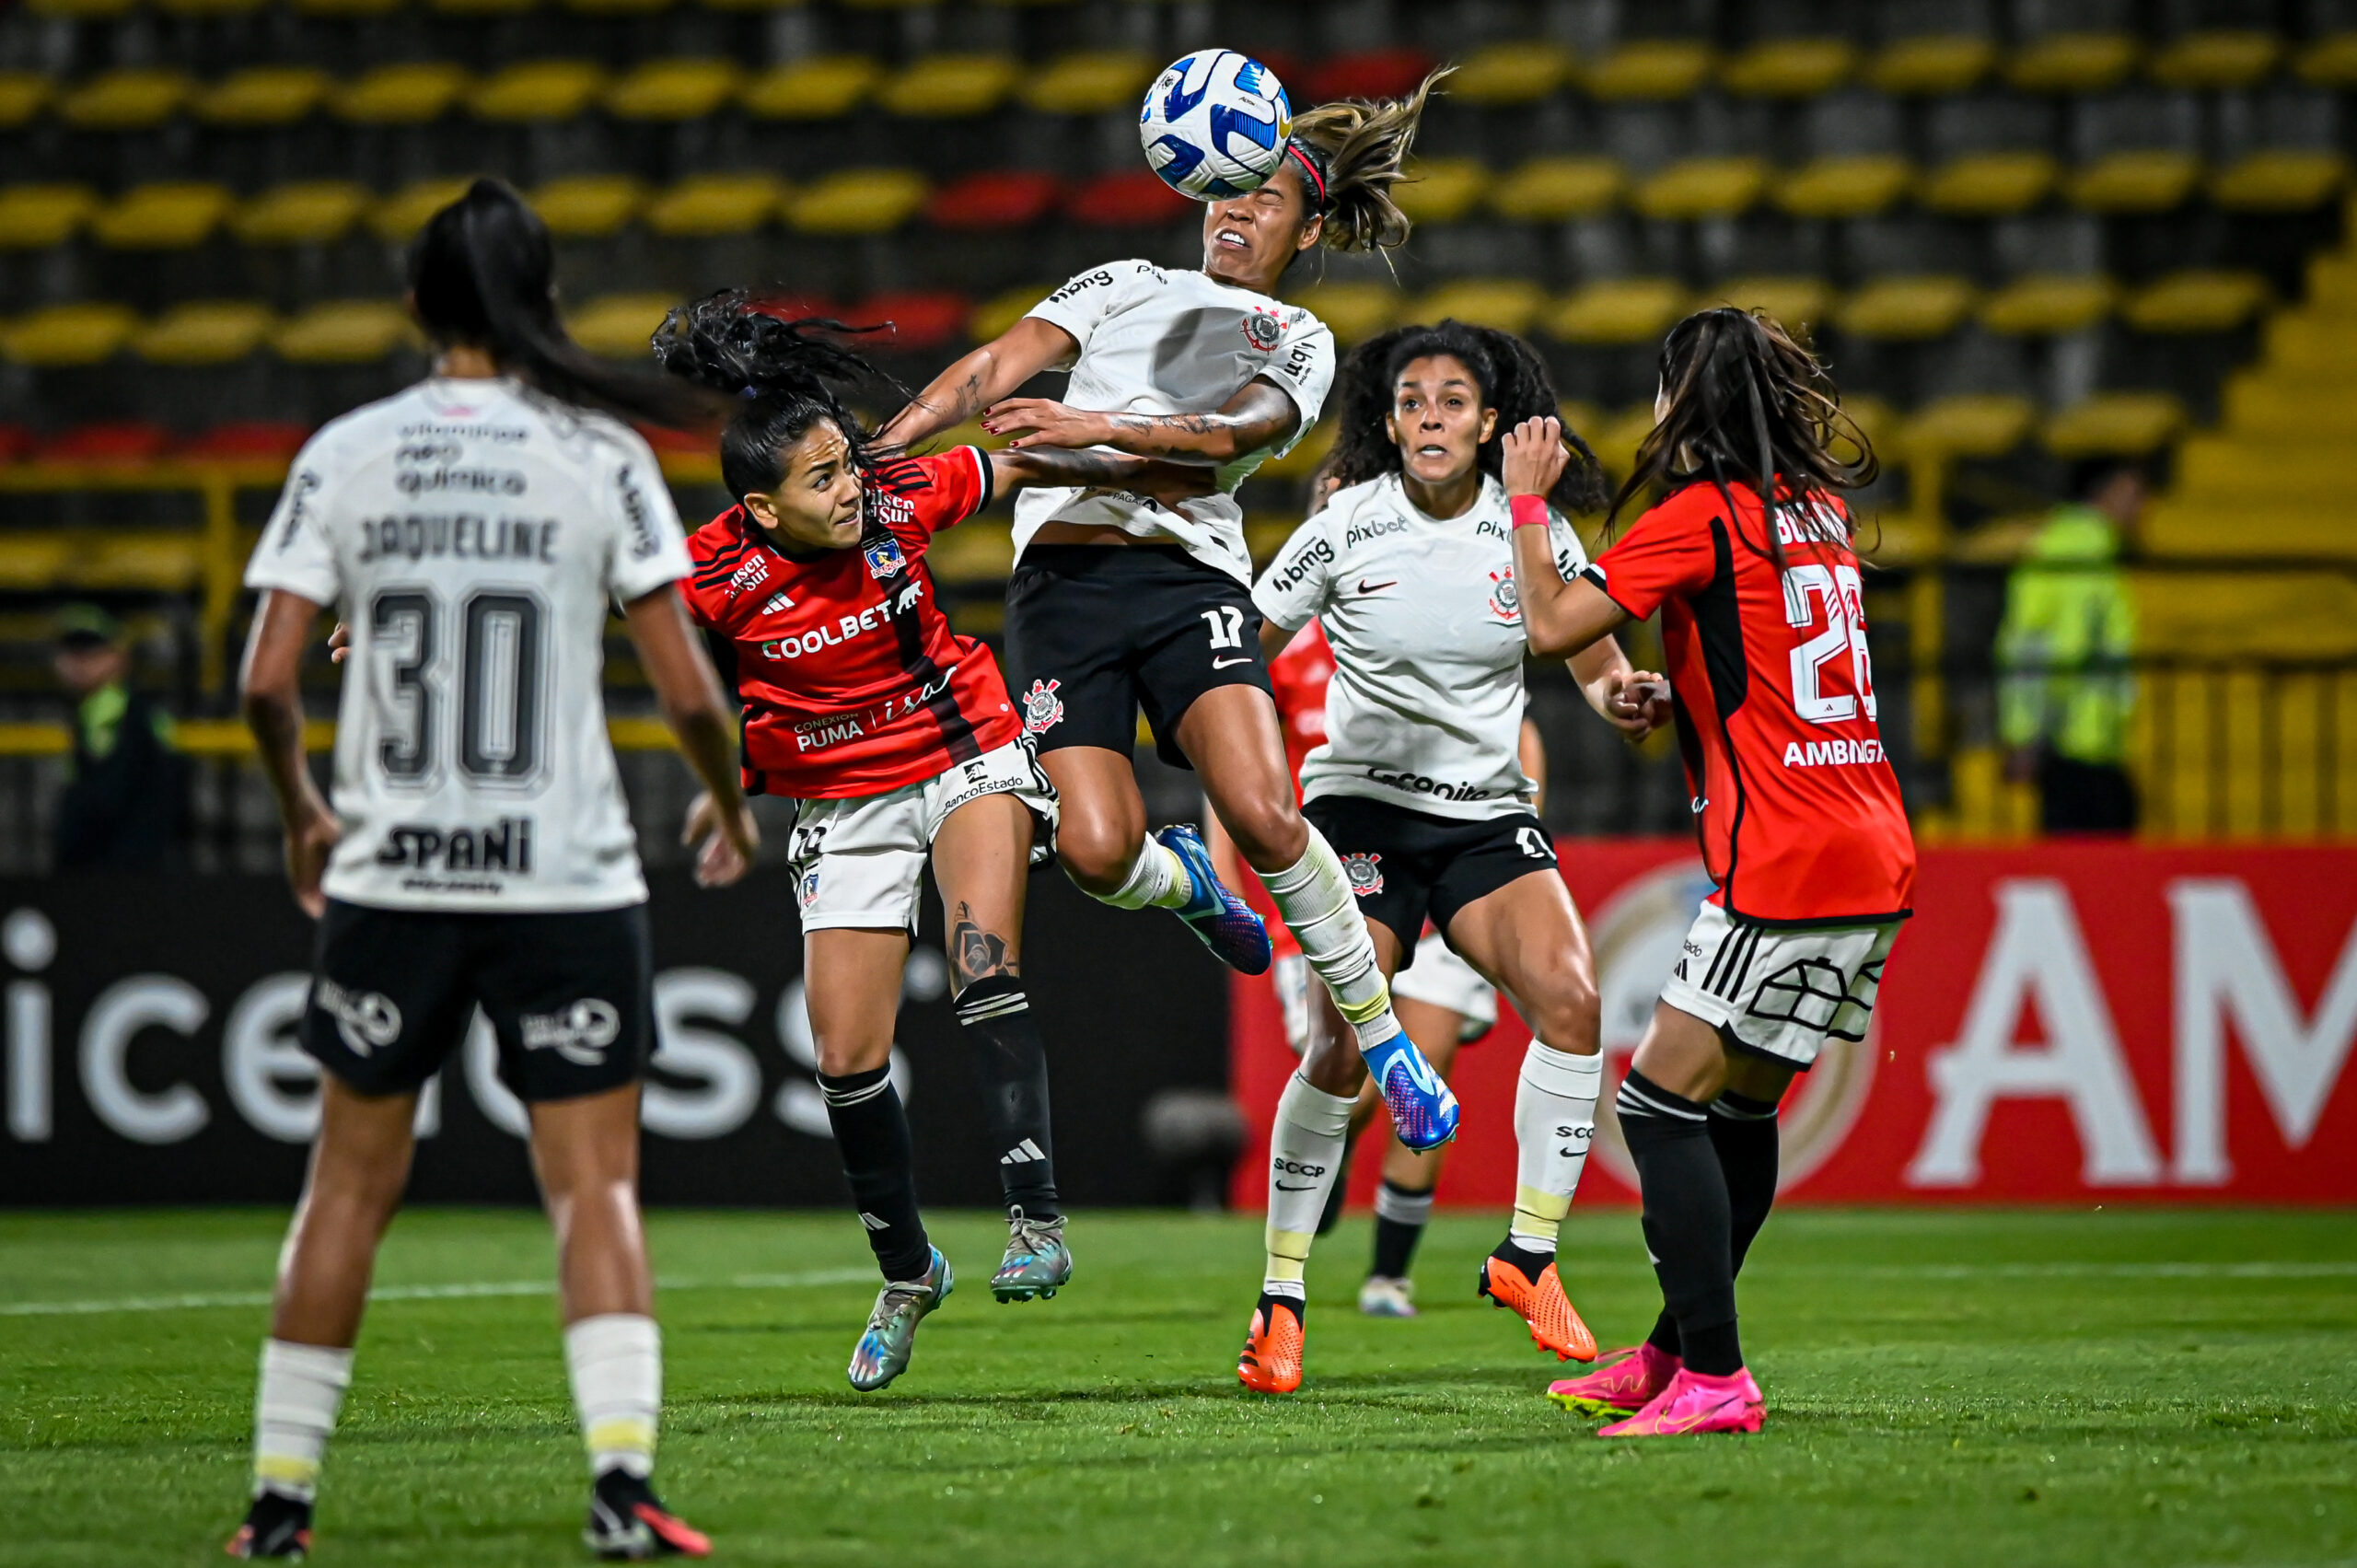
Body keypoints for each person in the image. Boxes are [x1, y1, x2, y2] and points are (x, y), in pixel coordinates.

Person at [877, 87, 1469, 1350]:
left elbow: (1222, 441)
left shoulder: (1295, 338)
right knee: (1093, 849)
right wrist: (898, 440)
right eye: (1221, 190)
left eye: (1259, 197)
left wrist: (1090, 422)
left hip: (1190, 577)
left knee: (1265, 807)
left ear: (1304, 228)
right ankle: (1180, 881)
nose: (1232, 212)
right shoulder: (1116, 282)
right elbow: (996, 366)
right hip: (1062, 589)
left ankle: (1385, 1040)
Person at [230, 179, 756, 1560]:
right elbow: (691, 693)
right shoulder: (598, 456)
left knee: (346, 1186)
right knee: (595, 1186)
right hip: (563, 879)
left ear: (414, 305)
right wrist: (725, 802)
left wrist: (300, 810)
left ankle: (279, 1505)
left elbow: (268, 680)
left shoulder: (347, 453)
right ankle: (623, 1484)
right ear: (546, 305)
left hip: (393, 876)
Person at [651, 291, 1211, 1390]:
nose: (850, 487)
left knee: (981, 967)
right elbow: (574, 597)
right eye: (821, 481)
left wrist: (1147, 468)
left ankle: (1035, 1218)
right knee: (847, 1060)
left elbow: (1018, 468)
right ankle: (908, 1270)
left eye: (847, 464)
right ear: (760, 512)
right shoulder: (708, 572)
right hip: (841, 804)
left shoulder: (899, 494)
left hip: (965, 749)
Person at [1508, 308, 1915, 1438]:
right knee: (1736, 1107)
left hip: (1785, 860)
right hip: (1868, 847)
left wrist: (1528, 498)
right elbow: (1768, 666)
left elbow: (1549, 623)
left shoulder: (1702, 515)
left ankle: (1716, 1376)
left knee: (1654, 1103)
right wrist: (1670, 691)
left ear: (1682, 403)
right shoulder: (1813, 511)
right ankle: (1674, 1351)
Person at [1242, 320, 1668, 1392]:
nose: (1431, 415)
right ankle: (1281, 1298)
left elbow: (1588, 649)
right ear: (1388, 424)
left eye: (1452, 400)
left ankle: (1528, 1256)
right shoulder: (1345, 526)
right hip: (1364, 811)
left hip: (1484, 814)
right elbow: (1239, 639)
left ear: (1488, 423)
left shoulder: (1527, 529)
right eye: (1412, 400)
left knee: (1572, 1001)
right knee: (1341, 1053)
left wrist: (1625, 695)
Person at [1996, 458, 2142, 834]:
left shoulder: (2074, 547)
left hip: (2085, 742)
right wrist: (2027, 733)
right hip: (2073, 743)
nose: (2142, 507)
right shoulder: (2082, 552)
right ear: (2104, 494)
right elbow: (2054, 649)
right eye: (2133, 494)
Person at [50, 603, 187, 871]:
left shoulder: (113, 712)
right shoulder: (99, 711)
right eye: (71, 650)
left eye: (91, 649)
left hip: (117, 875)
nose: (79, 662)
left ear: (120, 655)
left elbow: (104, 802)